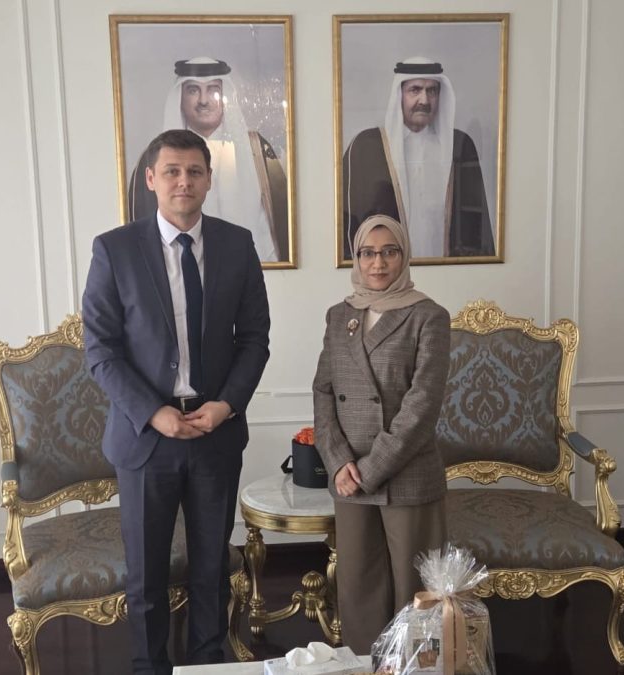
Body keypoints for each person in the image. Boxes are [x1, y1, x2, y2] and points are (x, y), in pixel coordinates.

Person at [84, 129, 271, 675]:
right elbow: (101, 350)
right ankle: (149, 666)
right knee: (146, 576)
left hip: (216, 431)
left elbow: (254, 339)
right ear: (151, 179)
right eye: (171, 171)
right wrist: (154, 412)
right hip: (146, 439)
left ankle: (207, 666)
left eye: (194, 171)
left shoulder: (237, 244)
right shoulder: (115, 250)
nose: (183, 181)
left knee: (212, 569)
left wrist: (227, 405)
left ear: (209, 179)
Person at [311, 213, 451, 655]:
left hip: (405, 475)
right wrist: (338, 461)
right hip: (349, 477)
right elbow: (324, 391)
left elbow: (422, 405)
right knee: (359, 588)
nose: (378, 262)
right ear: (356, 257)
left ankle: (416, 666)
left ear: (404, 255)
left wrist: (370, 469)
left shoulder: (428, 316)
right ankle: (365, 664)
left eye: (389, 251)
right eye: (368, 252)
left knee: (415, 592)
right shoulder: (339, 315)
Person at [128, 57, 289, 263]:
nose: (203, 101)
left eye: (213, 90)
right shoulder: (153, 157)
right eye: (193, 91)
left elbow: (277, 225)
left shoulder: (257, 151)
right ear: (180, 97)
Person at [342, 57, 495, 260]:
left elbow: (475, 223)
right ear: (400, 95)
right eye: (415, 90)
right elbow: (350, 223)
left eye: (432, 91)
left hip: (448, 269)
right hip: (387, 272)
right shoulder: (367, 146)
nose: (424, 100)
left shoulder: (459, 145)